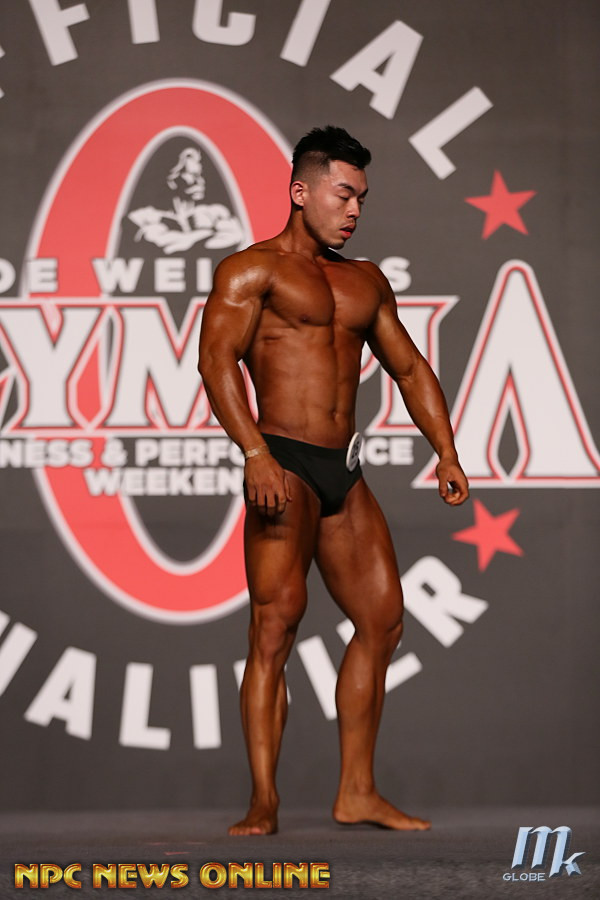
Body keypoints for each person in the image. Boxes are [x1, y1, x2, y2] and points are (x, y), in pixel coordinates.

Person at [198, 126, 469, 836]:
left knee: (383, 621)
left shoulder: (364, 281)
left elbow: (409, 367)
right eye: (343, 194)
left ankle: (357, 791)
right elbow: (216, 363)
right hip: (282, 463)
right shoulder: (250, 271)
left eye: (362, 199)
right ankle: (264, 801)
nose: (354, 211)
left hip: (342, 469)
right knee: (273, 626)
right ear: (300, 191)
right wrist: (254, 452)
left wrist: (445, 450)